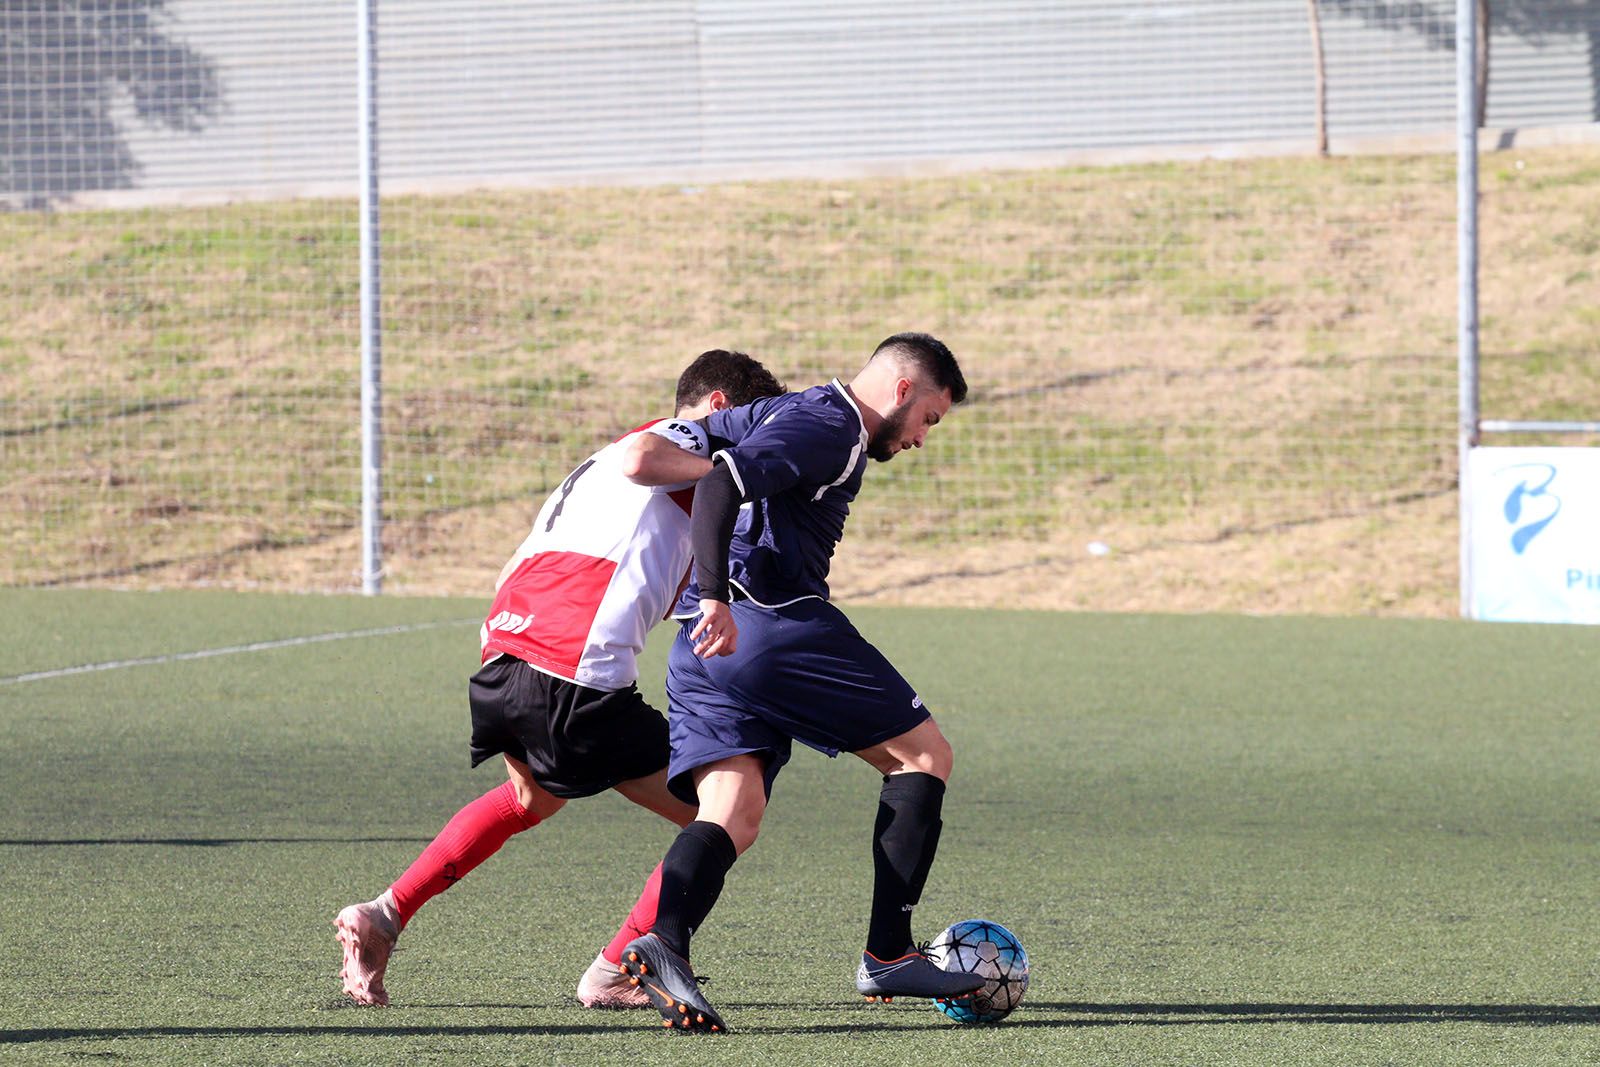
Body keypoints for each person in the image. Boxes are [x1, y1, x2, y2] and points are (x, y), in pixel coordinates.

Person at [333, 350, 785, 1008]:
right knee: (728, 811)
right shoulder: (688, 439)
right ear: (720, 407)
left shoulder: (602, 463)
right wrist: (729, 473)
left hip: (505, 652)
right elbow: (649, 464)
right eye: (750, 426)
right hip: (571, 671)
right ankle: (618, 967)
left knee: (529, 798)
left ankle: (385, 912)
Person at [614, 332, 983, 1034]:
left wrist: (711, 590)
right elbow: (723, 481)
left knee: (734, 807)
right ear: (902, 390)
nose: (922, 439)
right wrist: (721, 589)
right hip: (764, 623)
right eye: (930, 418)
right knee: (925, 755)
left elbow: (658, 450)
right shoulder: (831, 425)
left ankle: (664, 942)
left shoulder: (781, 410)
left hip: (699, 644)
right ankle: (890, 953)